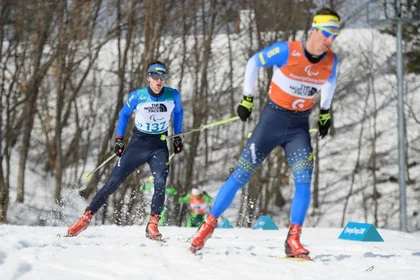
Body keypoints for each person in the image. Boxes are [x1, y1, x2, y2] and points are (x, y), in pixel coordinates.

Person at [190, 7, 340, 259]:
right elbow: (254, 62)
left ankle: (293, 239)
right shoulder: (286, 50)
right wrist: (247, 99)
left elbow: (331, 80)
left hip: (298, 128)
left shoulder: (331, 60)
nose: (330, 39)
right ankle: (207, 227)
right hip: (272, 121)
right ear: (313, 30)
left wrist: (325, 111)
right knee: (240, 176)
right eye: (327, 33)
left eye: (335, 35)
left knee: (303, 180)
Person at [67, 61, 184, 240]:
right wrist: (119, 140)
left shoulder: (173, 95)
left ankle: (152, 224)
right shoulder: (138, 96)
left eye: (162, 77)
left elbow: (178, 113)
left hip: (159, 145)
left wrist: (177, 136)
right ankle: (85, 218)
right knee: (114, 181)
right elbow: (123, 114)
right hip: (138, 144)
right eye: (155, 77)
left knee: (160, 182)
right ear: (149, 78)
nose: (159, 81)